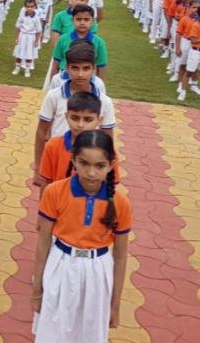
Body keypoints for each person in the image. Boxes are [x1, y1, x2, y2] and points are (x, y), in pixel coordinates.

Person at [31, 131, 131, 343]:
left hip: (98, 270)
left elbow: (121, 257)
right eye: (84, 163)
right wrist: (36, 289)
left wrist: (115, 305)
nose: (91, 173)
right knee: (53, 332)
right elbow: (43, 244)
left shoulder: (121, 204)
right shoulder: (55, 192)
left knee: (89, 333)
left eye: (100, 165)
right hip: (61, 263)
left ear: (111, 165)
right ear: (73, 160)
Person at [35, 43, 116, 186]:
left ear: (93, 69)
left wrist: (107, 172)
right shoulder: (54, 96)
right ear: (67, 68)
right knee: (51, 199)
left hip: (90, 161)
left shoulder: (105, 101)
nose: (80, 74)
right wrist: (38, 167)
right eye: (75, 68)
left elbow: (108, 136)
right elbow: (42, 131)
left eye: (86, 68)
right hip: (57, 155)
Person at [38, 92, 120, 194]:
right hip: (59, 206)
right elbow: (46, 184)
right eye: (75, 118)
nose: (80, 125)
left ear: (99, 120)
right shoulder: (52, 146)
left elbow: (111, 188)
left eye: (88, 119)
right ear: (66, 117)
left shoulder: (108, 151)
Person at [49, 5, 108, 82]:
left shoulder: (99, 42)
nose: (82, 22)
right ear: (72, 20)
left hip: (87, 80)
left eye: (86, 19)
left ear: (92, 21)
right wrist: (52, 83)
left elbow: (101, 66)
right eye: (78, 19)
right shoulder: (62, 39)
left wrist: (98, 85)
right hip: (64, 79)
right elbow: (56, 63)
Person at [14, 0, 43, 78]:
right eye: (28, 6)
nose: (30, 8)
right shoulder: (22, 16)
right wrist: (16, 38)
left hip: (31, 37)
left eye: (32, 6)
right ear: (25, 7)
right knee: (19, 53)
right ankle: (17, 67)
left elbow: (39, 31)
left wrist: (37, 41)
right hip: (22, 36)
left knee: (29, 54)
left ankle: (27, 69)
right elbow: (17, 27)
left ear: (35, 7)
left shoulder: (36, 18)